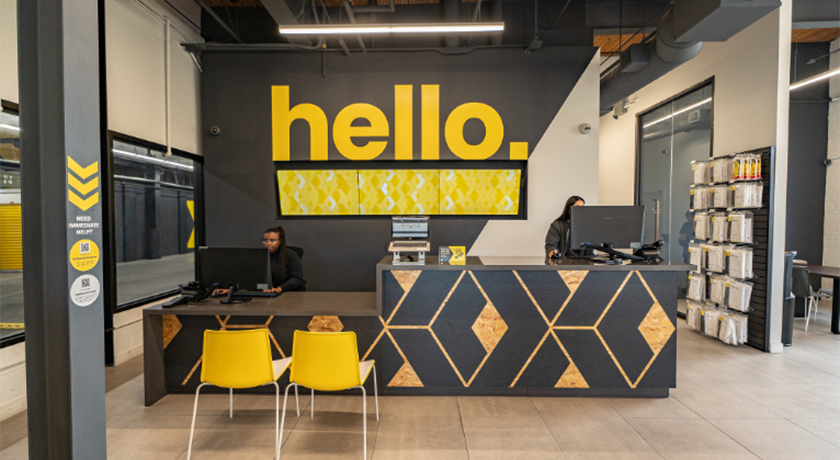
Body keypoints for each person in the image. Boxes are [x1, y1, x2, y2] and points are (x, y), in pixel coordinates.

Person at [213, 226, 304, 295]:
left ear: (280, 241)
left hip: (288, 295)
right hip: (264, 295)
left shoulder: (291, 255)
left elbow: (297, 279)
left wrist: (279, 289)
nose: (268, 243)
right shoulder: (259, 256)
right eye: (266, 240)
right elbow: (247, 278)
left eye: (272, 240)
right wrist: (231, 289)